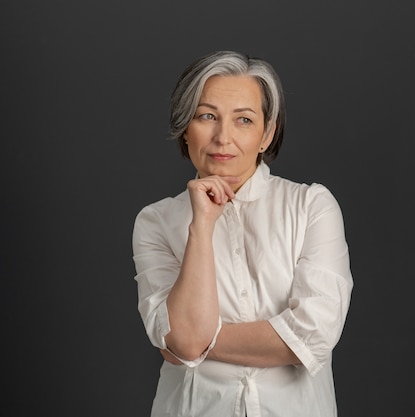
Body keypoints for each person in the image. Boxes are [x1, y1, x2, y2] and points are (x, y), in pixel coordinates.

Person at [131, 50, 354, 417]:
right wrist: (201, 227)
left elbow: (314, 335)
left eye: (244, 120)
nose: (223, 137)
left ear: (267, 134)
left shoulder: (311, 206)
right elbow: (183, 341)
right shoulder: (155, 221)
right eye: (207, 116)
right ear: (186, 129)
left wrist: (196, 341)